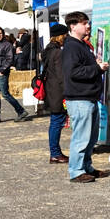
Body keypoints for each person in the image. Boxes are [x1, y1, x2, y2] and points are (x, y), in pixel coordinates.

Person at [61, 10, 107, 182]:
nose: (88, 26)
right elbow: (73, 72)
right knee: (81, 138)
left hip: (88, 97)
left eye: (88, 22)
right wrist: (97, 68)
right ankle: (76, 171)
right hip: (80, 98)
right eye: (84, 23)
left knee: (90, 138)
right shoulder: (72, 46)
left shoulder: (81, 45)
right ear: (73, 26)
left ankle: (86, 167)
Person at [0, 26, 32, 123]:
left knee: (5, 94)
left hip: (2, 73)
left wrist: (3, 71)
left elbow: (10, 59)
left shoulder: (7, 45)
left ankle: (21, 111)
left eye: (0, 33)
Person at [40, 23, 69, 164]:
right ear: (60, 36)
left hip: (51, 90)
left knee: (55, 122)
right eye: (65, 35)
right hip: (57, 92)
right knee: (57, 122)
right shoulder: (58, 52)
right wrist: (67, 92)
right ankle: (55, 153)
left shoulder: (48, 50)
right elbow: (61, 75)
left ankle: (55, 152)